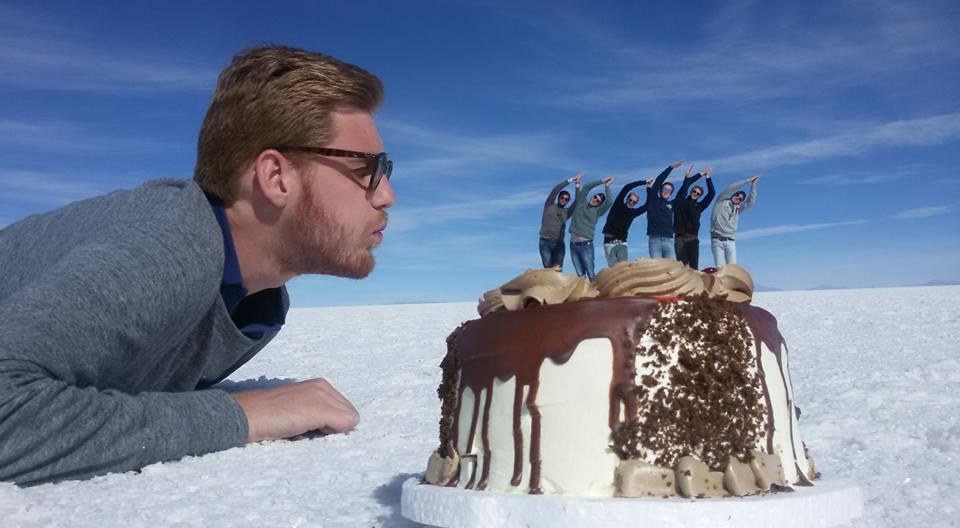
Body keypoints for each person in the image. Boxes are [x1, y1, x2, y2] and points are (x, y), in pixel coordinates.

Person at [0, 46, 396, 486]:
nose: (385, 195)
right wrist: (245, 414)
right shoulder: (170, 244)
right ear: (276, 177)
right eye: (366, 168)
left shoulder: (257, 301)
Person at [568, 177, 614, 280]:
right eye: (595, 197)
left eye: (598, 201)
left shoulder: (598, 212)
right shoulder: (581, 202)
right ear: (592, 196)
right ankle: (584, 295)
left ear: (599, 204)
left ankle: (595, 295)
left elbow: (610, 201)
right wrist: (601, 181)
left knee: (591, 274)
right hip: (573, 245)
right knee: (580, 275)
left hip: (586, 246)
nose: (595, 200)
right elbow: (587, 187)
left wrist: (607, 186)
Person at [710, 175, 760, 267]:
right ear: (733, 194)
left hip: (730, 241)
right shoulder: (721, 201)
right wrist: (747, 180)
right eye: (737, 195)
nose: (738, 198)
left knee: (733, 268)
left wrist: (753, 187)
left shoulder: (737, 209)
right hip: (717, 240)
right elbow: (731, 188)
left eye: (740, 199)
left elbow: (750, 203)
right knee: (721, 268)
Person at [673, 166, 715, 269]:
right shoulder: (680, 201)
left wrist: (708, 178)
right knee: (682, 267)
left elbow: (711, 194)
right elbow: (685, 187)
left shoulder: (699, 207)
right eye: (694, 191)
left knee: (694, 268)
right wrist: (696, 175)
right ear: (691, 191)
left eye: (698, 193)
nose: (695, 194)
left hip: (693, 239)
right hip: (680, 238)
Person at [538, 172, 582, 269]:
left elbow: (578, 202)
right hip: (545, 243)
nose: (564, 200)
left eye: (566, 199)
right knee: (548, 271)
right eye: (562, 198)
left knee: (557, 270)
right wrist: (571, 180)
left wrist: (577, 186)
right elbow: (556, 189)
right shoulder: (549, 205)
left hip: (559, 244)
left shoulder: (567, 212)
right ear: (558, 198)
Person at [600, 178, 648, 266]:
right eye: (630, 200)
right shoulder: (618, 204)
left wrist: (649, 189)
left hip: (621, 243)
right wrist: (644, 182)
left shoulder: (633, 213)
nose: (632, 202)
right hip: (608, 242)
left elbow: (646, 206)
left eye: (634, 202)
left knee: (623, 268)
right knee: (613, 270)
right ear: (627, 199)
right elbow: (626, 187)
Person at [644, 160, 684, 258]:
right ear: (660, 190)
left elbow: (683, 193)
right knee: (657, 270)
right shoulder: (654, 200)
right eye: (664, 189)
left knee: (672, 270)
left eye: (669, 190)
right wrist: (670, 167)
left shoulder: (672, 204)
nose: (666, 191)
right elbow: (658, 182)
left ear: (671, 193)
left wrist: (687, 178)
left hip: (669, 240)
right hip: (655, 240)